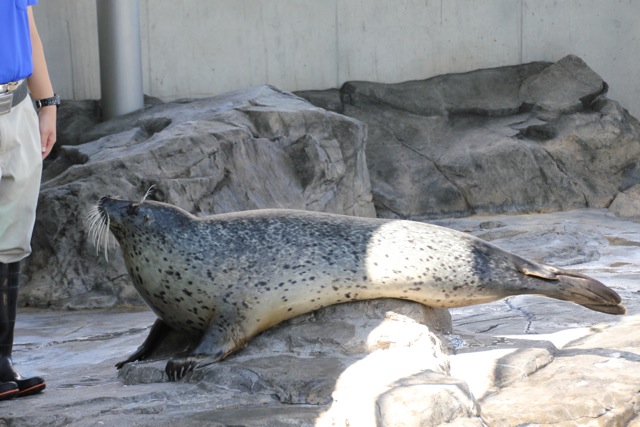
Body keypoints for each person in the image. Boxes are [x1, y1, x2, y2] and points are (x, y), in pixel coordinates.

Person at [0, 1, 59, 400]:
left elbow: (27, 26)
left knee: (9, 240)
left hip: (16, 104)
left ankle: (1, 360)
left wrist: (47, 103)